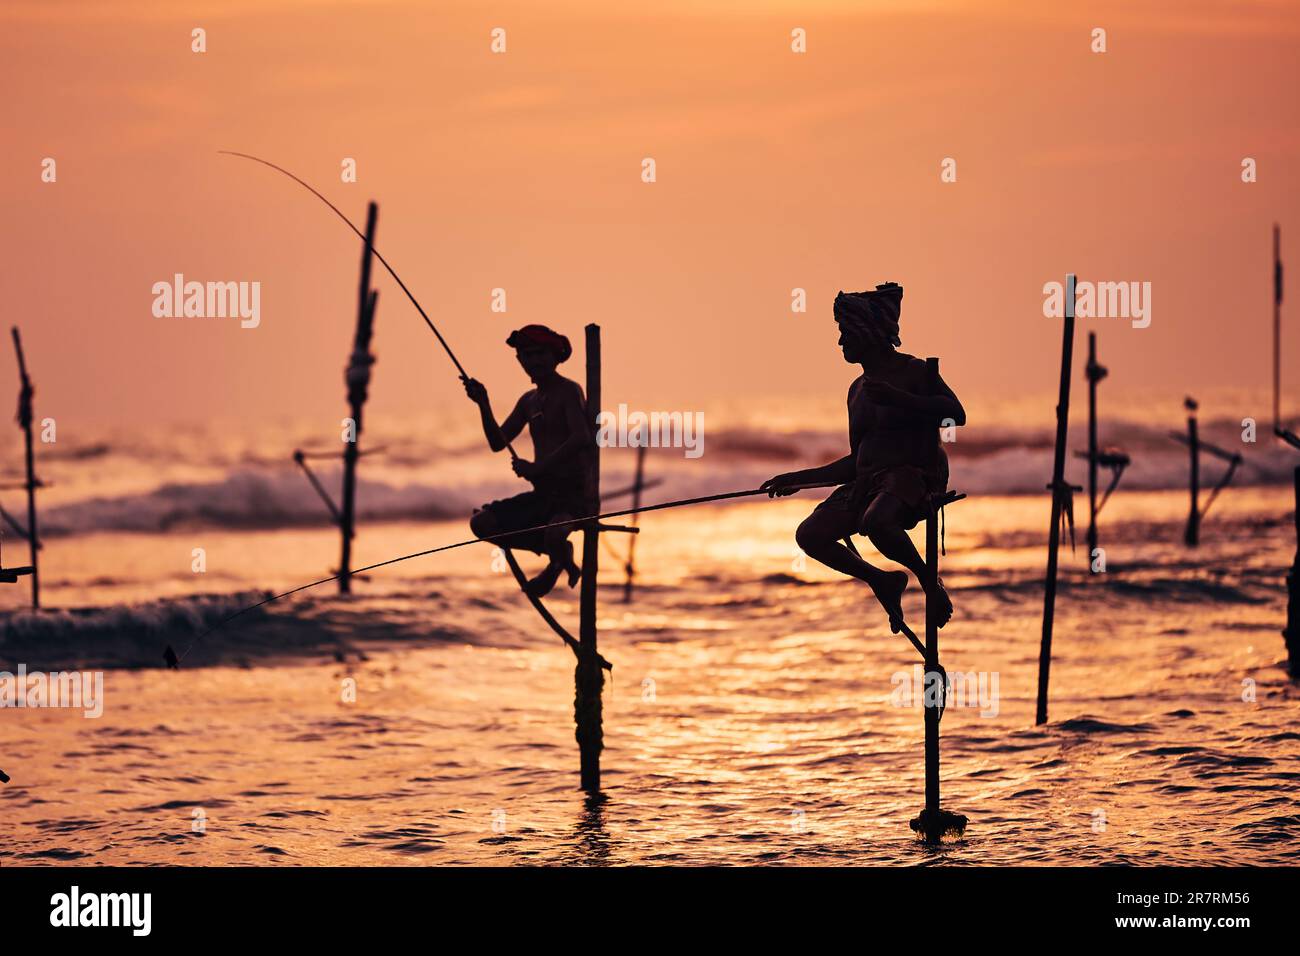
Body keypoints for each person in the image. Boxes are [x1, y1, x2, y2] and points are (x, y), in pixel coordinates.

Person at [761, 283, 965, 632]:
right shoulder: (857, 390)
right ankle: (882, 581)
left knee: (877, 522)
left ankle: (929, 583)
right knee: (810, 535)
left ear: (868, 333)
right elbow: (859, 462)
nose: (841, 342)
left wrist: (899, 398)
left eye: (846, 333)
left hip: (911, 478)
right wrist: (796, 478)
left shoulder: (914, 373)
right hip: (868, 484)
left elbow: (954, 414)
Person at [462, 324, 594, 597]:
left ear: (555, 356)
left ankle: (556, 556)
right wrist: (483, 403)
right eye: (527, 355)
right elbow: (498, 442)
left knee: (556, 532)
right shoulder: (528, 401)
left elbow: (581, 437)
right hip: (543, 495)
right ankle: (558, 554)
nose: (534, 361)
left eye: (540, 354)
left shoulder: (569, 391)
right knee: (482, 523)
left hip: (574, 497)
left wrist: (538, 468)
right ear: (520, 361)